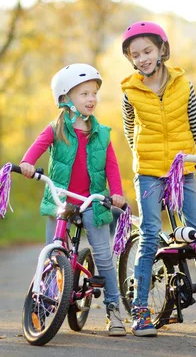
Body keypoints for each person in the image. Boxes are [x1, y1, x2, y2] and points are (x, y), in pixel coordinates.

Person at [119, 21, 196, 337]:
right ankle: (140, 310)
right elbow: (128, 130)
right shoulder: (130, 92)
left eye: (147, 51)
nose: (142, 58)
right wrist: (145, 160)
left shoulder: (183, 84)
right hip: (149, 173)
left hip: (183, 171)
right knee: (150, 233)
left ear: (162, 50)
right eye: (135, 54)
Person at [19, 63, 127, 336]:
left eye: (94, 94)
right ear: (66, 99)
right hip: (62, 199)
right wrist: (27, 164)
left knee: (103, 254)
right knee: (53, 253)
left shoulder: (102, 133)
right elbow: (37, 147)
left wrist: (116, 193)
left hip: (93, 200)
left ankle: (114, 311)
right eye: (84, 94)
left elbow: (112, 165)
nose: (91, 99)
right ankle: (44, 305)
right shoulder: (56, 129)